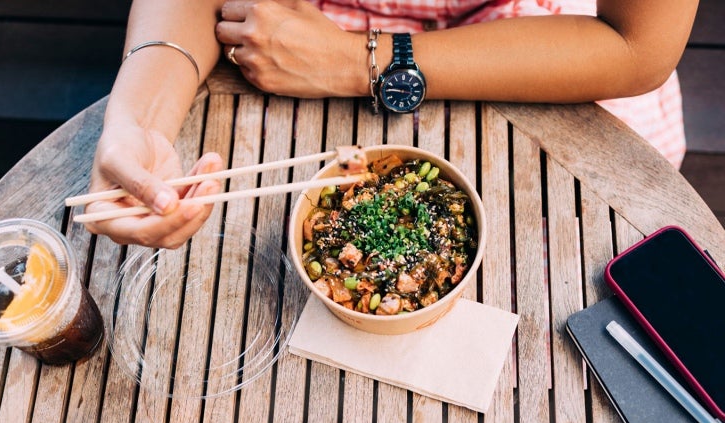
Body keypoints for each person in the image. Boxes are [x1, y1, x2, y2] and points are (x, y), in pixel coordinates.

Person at [86, 0, 698, 248]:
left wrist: (362, 62)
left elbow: (637, 45)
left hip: (539, 38)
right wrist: (140, 115)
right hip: (284, 31)